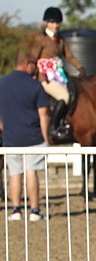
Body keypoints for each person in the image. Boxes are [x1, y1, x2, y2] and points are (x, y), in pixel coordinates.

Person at [0, 51, 53, 221]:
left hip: (11, 138)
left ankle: (15, 210)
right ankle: (34, 210)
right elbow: (43, 115)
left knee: (14, 173)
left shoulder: (2, 83)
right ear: (28, 64)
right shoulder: (35, 85)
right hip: (33, 137)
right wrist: (47, 138)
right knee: (31, 172)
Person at [27, 6, 84, 141]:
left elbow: (69, 56)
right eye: (52, 22)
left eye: (57, 22)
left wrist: (80, 67)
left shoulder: (60, 40)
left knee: (74, 90)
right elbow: (34, 57)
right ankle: (53, 127)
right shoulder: (40, 39)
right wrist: (34, 75)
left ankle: (66, 122)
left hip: (59, 75)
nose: (55, 25)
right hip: (45, 77)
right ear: (46, 23)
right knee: (64, 96)